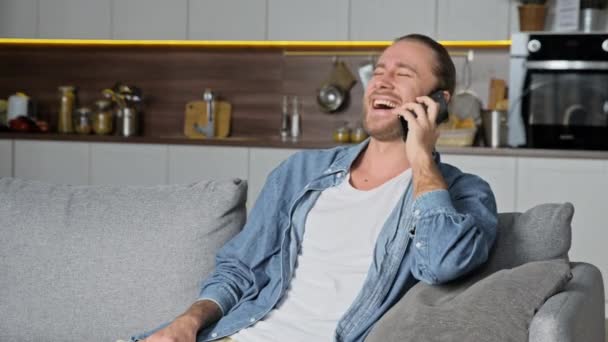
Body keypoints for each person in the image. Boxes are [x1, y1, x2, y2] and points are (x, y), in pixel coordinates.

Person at [135, 33, 498, 342]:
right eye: (380, 70)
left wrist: (421, 158)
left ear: (439, 102)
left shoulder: (463, 193)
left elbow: (441, 264)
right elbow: (241, 269)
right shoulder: (302, 170)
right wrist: (187, 322)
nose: (382, 82)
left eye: (403, 74)